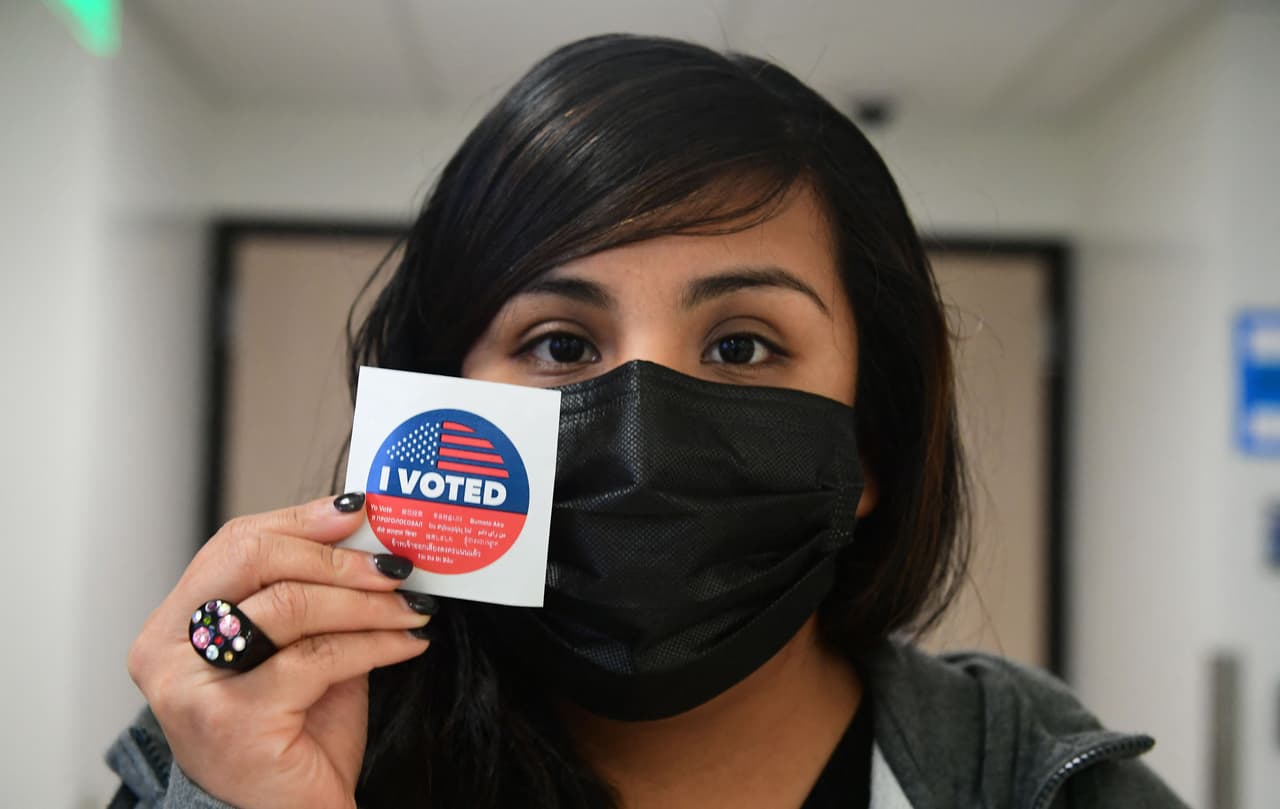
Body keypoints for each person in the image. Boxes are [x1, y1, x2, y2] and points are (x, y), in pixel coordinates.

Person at [107, 34, 1189, 809]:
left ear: (868, 444)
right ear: (441, 395)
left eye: (741, 345)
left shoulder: (1029, 776)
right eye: (559, 344)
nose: (636, 436)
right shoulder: (244, 744)